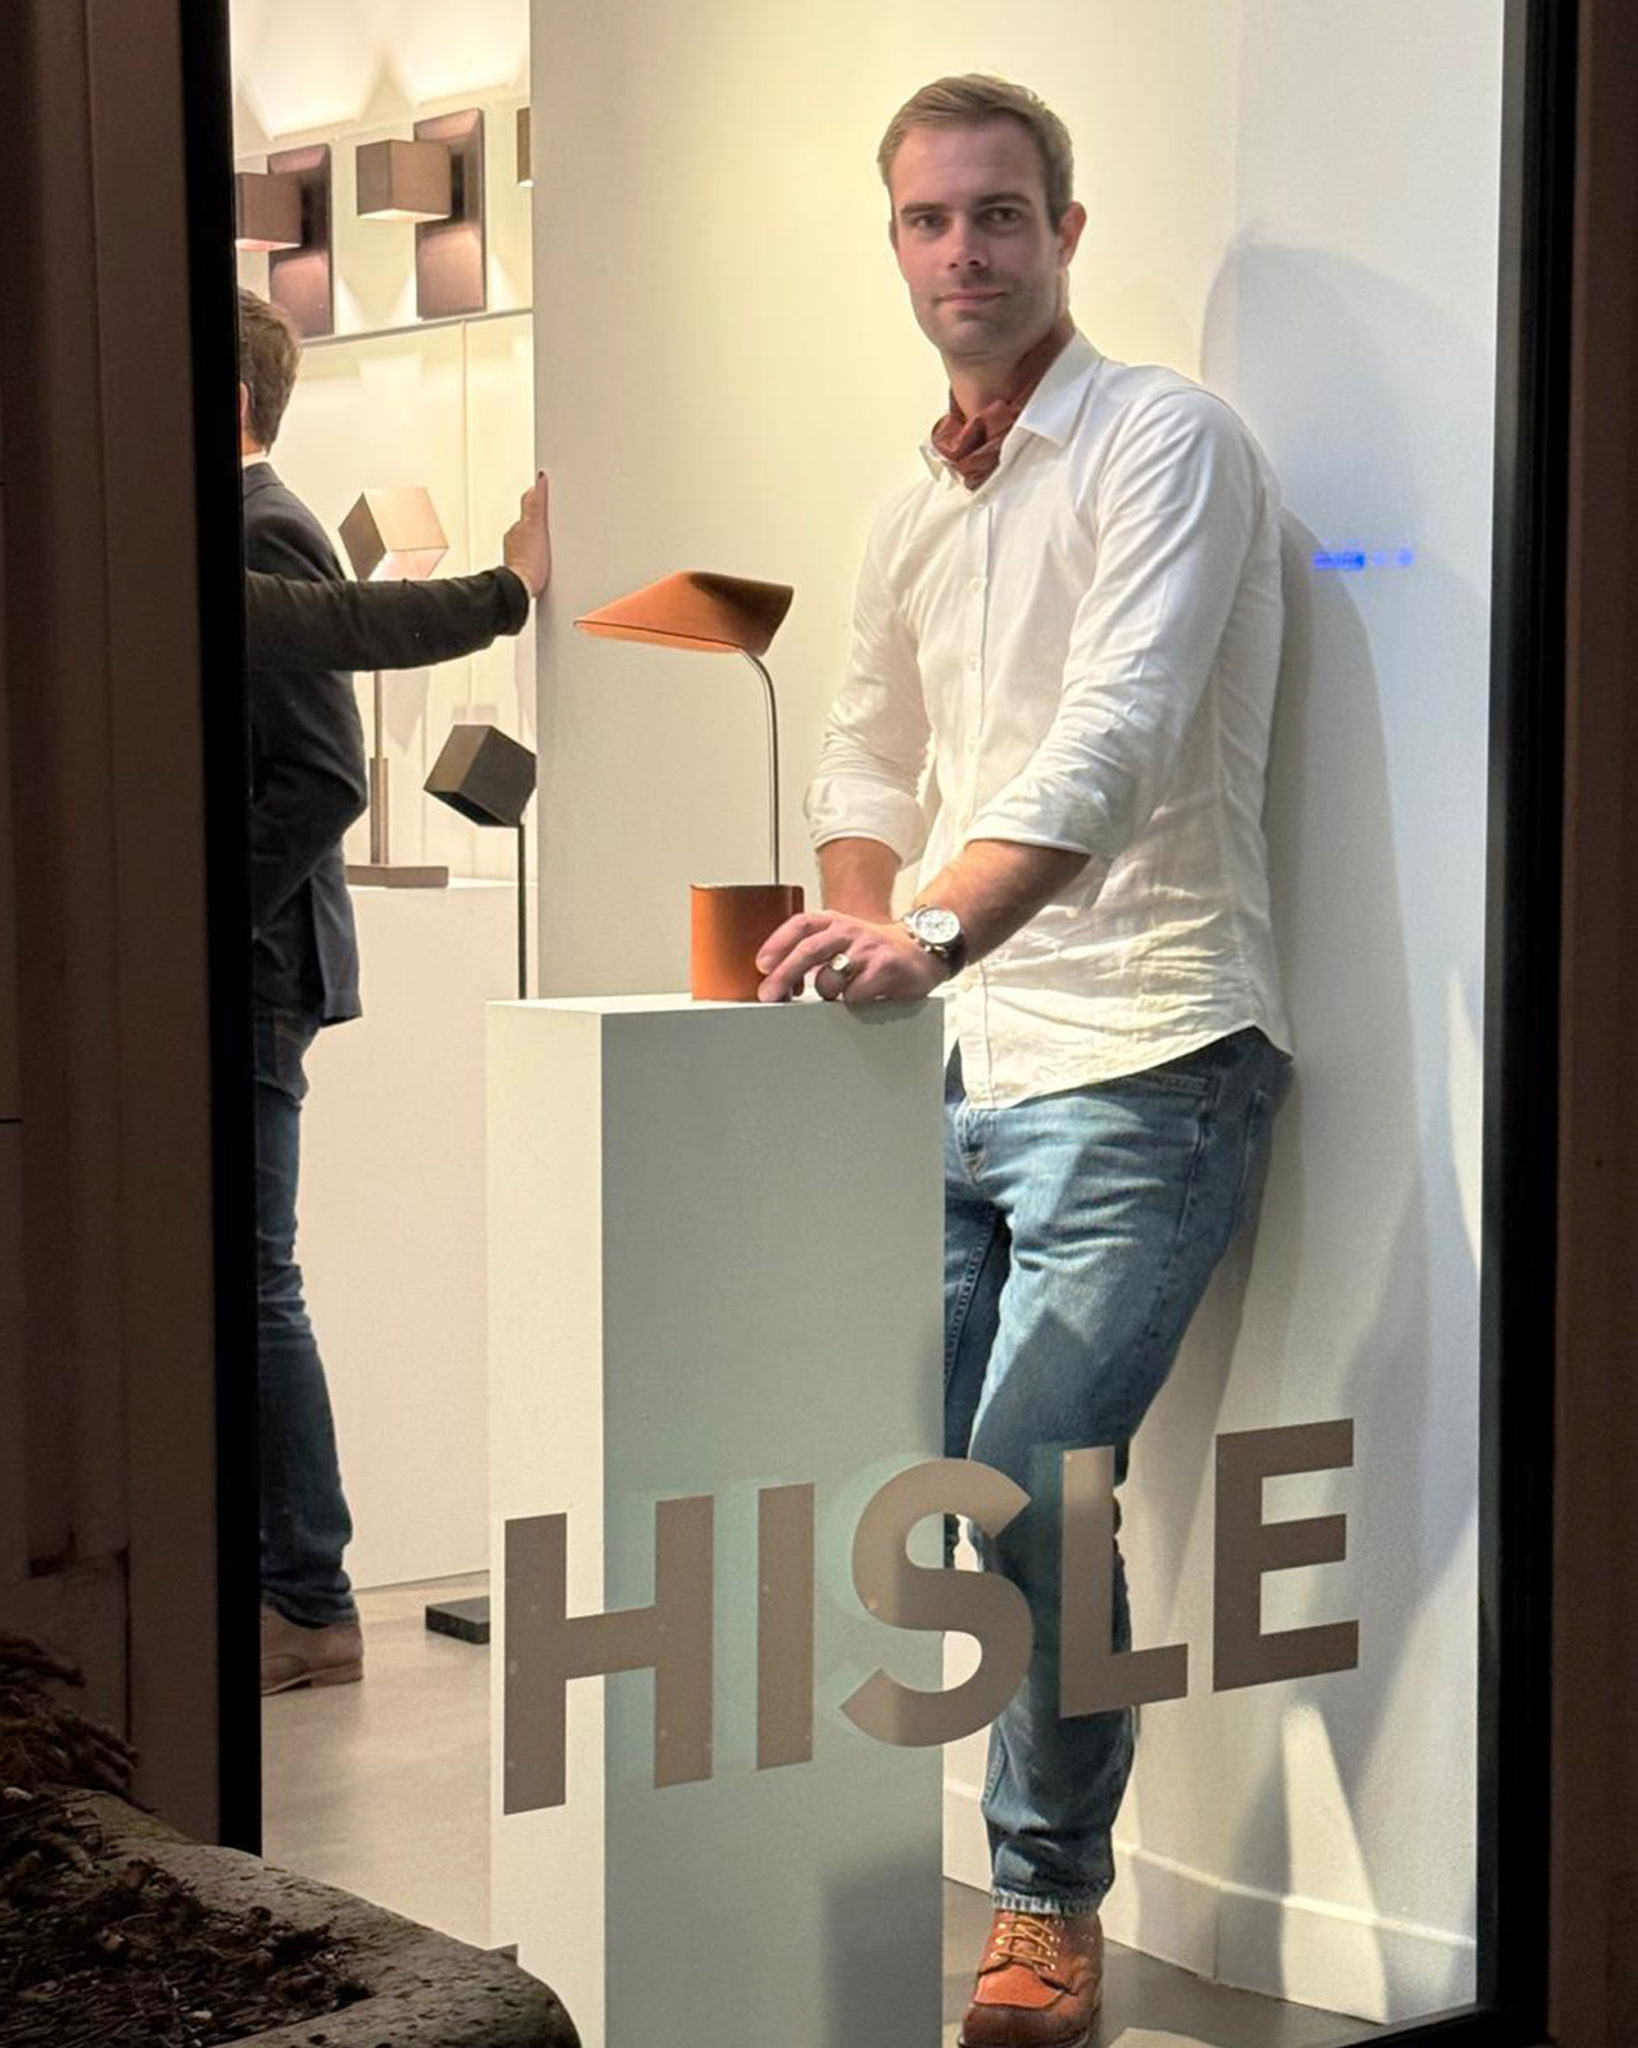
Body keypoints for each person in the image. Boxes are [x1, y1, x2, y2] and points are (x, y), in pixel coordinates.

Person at [754, 76, 1291, 2048]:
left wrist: (938, 929)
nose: (961, 253)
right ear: (893, 244)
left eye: (997, 214)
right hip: (955, 1064)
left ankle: (1047, 1907)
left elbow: (1118, 734)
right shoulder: (917, 506)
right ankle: (922, 1863)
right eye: (927, 220)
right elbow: (863, 746)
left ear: (1065, 230)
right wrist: (861, 926)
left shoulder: (1165, 439)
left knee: (1031, 1493)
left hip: (1146, 1051)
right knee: (922, 1487)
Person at [237, 289, 551, 1695]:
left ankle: (308, 1602)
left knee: (255, 1282)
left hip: (252, 970)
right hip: (253, 965)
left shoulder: (260, 528)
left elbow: (318, 775)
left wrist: (194, 928)